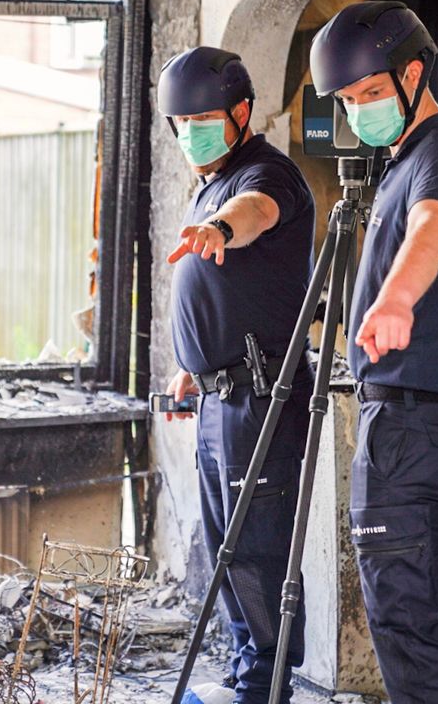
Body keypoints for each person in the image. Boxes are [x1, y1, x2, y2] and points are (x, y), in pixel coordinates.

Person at [309, 1, 438, 704]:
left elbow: (431, 228)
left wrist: (394, 300)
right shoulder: (411, 159)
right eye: (348, 100)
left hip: (414, 429)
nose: (359, 111)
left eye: (369, 94)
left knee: (410, 626)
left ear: (414, 73)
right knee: (426, 621)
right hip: (433, 421)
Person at [157, 46, 317, 704]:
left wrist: (221, 225)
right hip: (225, 394)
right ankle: (247, 679)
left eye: (203, 118)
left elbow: (255, 213)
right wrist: (195, 366)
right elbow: (235, 294)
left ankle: (264, 688)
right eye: (180, 121)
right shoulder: (210, 177)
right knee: (228, 552)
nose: (188, 131)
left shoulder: (264, 175)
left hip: (262, 400)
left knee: (256, 552)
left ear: (242, 113)